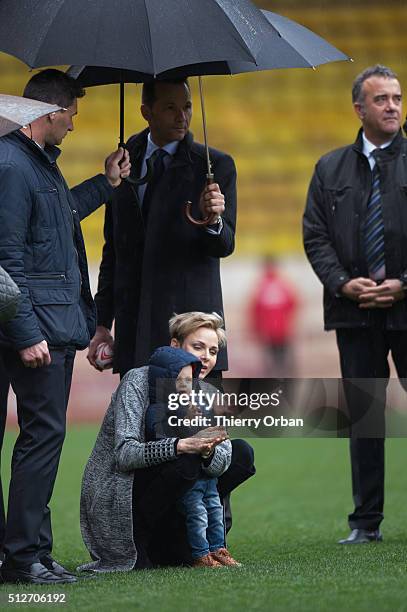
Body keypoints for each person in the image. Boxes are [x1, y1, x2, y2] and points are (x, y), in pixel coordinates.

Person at [0, 69, 131, 584]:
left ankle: (26, 549)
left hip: (37, 320)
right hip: (34, 327)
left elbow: (59, 216)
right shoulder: (14, 165)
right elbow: (6, 257)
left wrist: (108, 181)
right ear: (50, 113)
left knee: (38, 438)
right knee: (42, 437)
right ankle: (24, 558)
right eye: (72, 113)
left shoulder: (32, 163)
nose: (74, 124)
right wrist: (27, 331)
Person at [303, 65, 407, 544]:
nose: (392, 106)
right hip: (354, 312)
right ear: (359, 109)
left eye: (397, 98)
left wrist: (404, 282)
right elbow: (316, 235)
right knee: (364, 417)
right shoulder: (329, 168)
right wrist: (344, 284)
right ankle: (366, 524)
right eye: (381, 99)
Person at [79, 312, 255, 572]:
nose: (206, 356)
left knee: (241, 453)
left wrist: (206, 451)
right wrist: (181, 446)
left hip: (181, 496)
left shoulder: (209, 393)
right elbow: (125, 455)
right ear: (175, 345)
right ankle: (140, 541)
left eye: (213, 350)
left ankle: (194, 539)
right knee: (186, 461)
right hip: (127, 498)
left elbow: (219, 465)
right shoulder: (137, 381)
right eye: (198, 346)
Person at [87, 78, 237, 377]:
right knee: (138, 422)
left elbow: (225, 245)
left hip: (189, 330)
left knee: (195, 424)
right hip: (136, 329)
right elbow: (113, 250)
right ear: (147, 111)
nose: (182, 116)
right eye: (170, 108)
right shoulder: (122, 160)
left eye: (187, 107)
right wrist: (101, 323)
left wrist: (214, 219)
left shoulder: (215, 164)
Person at [146, 345, 240, 567]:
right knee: (197, 514)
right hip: (188, 477)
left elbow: (209, 429)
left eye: (189, 381)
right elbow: (160, 435)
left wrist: (210, 436)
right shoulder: (159, 408)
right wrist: (184, 420)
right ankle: (201, 554)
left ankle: (219, 549)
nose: (186, 387)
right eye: (180, 381)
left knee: (216, 511)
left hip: (207, 476)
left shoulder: (198, 401)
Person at [250, 258, 299, 377]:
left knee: (275, 358)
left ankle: (277, 379)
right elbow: (293, 303)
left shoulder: (263, 286)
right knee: (281, 357)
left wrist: (256, 328)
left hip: (273, 330)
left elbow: (254, 310)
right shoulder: (281, 284)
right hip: (280, 329)